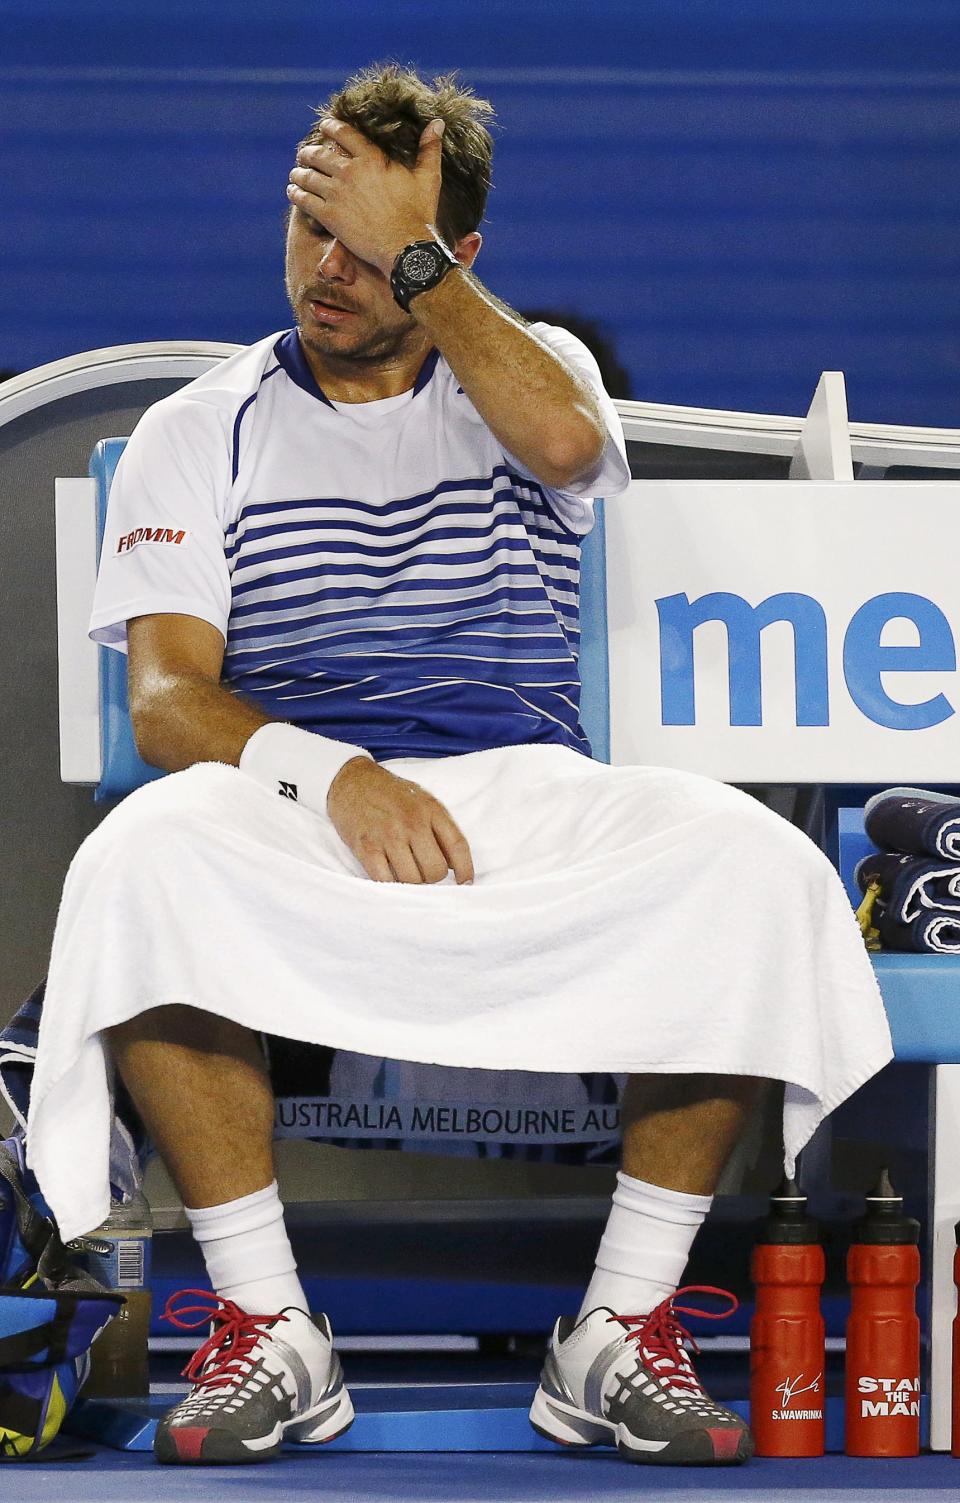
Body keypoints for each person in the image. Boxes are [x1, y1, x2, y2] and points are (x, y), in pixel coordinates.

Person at [25, 62, 893, 1469]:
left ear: (451, 255)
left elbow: (561, 437)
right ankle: (270, 1331)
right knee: (138, 854)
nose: (329, 267)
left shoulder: (529, 372)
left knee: (756, 868)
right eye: (312, 225)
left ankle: (613, 1331)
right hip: (299, 806)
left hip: (524, 797)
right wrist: (333, 776)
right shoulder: (202, 429)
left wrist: (411, 254)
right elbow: (172, 703)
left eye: (367, 241)